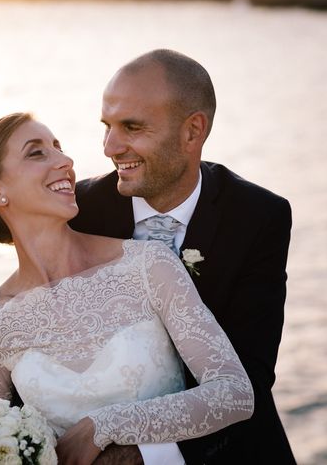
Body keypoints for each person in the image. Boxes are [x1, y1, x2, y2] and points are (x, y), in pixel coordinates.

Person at [0, 112, 255, 465]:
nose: (66, 161)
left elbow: (233, 393)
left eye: (59, 148)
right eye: (36, 153)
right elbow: (0, 440)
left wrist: (104, 426)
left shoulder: (147, 265)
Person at [68, 49, 296, 464]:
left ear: (193, 132)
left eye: (131, 127)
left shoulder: (258, 216)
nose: (110, 147)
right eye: (107, 126)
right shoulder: (79, 211)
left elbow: (251, 377)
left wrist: (145, 454)